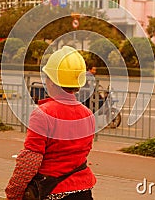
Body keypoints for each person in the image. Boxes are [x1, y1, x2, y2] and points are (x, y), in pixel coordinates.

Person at [5, 46, 96, 200]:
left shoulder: (43, 114)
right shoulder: (87, 115)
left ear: (52, 82)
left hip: (52, 193)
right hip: (83, 191)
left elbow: (30, 160)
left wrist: (13, 193)